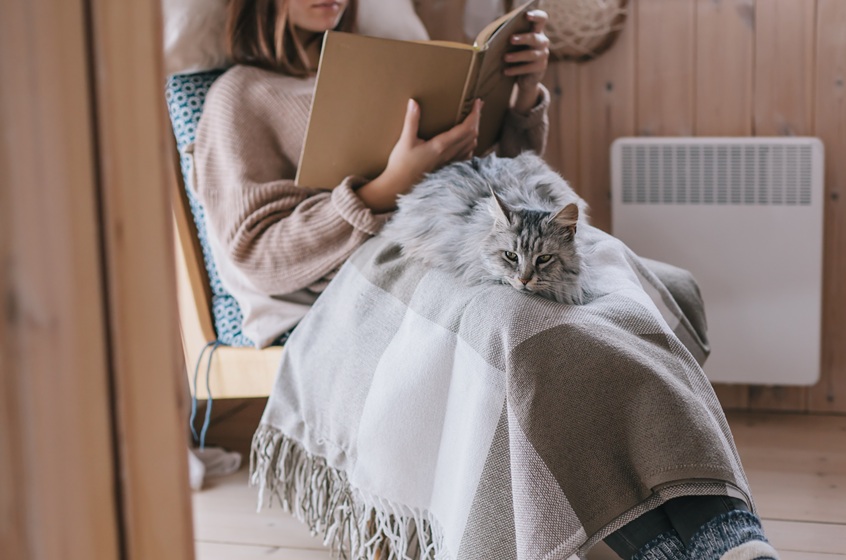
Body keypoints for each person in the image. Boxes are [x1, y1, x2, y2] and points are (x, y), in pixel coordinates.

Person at [192, 1, 778, 558]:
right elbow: (252, 251)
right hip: (371, 262)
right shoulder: (240, 95)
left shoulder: (393, 65)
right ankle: (677, 545)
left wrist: (520, 95)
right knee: (523, 328)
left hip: (471, 234)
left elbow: (500, 190)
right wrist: (382, 187)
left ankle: (724, 529)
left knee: (620, 307)